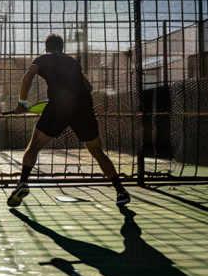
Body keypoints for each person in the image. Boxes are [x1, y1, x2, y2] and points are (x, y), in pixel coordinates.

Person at [8, 33, 130, 207]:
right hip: (83, 106)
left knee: (33, 146)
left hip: (59, 105)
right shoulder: (72, 62)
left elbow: (27, 78)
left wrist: (21, 103)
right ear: (62, 48)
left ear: (47, 48)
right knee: (97, 151)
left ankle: (22, 183)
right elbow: (88, 87)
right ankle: (120, 191)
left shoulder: (43, 58)